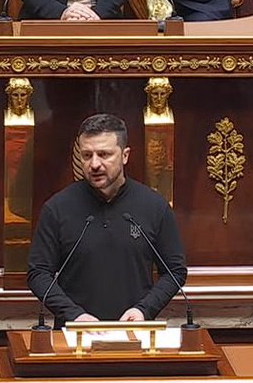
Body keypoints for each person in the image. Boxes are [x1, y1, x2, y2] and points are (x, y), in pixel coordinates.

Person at [27, 113, 187, 327]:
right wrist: (73, 315)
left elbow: (175, 271)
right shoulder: (57, 208)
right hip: (74, 335)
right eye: (86, 155)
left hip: (135, 332)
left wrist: (144, 309)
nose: (94, 164)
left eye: (104, 154)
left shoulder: (154, 206)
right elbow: (38, 273)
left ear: (125, 155)